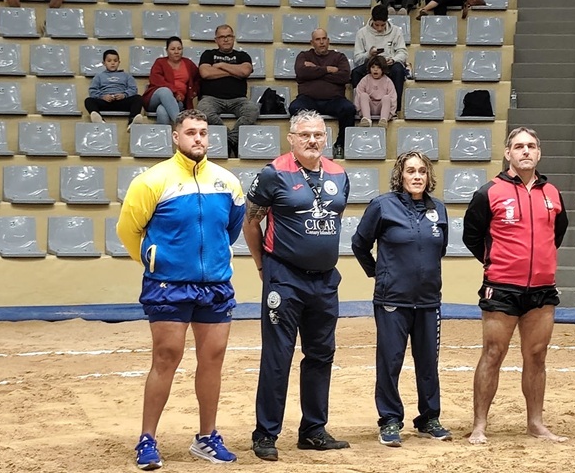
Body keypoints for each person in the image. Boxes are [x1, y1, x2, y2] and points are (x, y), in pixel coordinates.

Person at [117, 109, 245, 470]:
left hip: (216, 285)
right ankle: (147, 439)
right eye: (191, 133)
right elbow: (129, 231)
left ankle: (207, 437)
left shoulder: (227, 182)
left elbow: (230, 230)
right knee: (166, 356)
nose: (199, 139)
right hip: (168, 285)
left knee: (213, 359)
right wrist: (155, 259)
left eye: (204, 132)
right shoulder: (151, 181)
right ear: (176, 137)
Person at [242, 110, 351, 462]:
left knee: (321, 355)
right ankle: (266, 433)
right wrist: (263, 266)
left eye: (318, 134)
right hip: (284, 277)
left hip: (325, 281)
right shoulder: (273, 174)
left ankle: (313, 430)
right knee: (278, 356)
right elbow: (251, 221)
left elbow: (332, 219)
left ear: (327, 137)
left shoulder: (339, 174)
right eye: (304, 135)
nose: (312, 140)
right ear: (291, 139)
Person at [462, 126, 569, 445]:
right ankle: (480, 424)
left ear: (539, 153)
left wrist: (538, 263)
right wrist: (497, 262)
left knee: (537, 355)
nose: (526, 151)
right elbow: (472, 235)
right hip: (501, 288)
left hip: (542, 290)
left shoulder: (552, 193)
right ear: (508, 153)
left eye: (531, 146)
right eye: (519, 146)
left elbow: (557, 234)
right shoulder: (489, 192)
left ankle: (535, 422)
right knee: (493, 352)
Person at [350, 151, 451, 448]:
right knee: (390, 361)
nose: (417, 176)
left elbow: (439, 249)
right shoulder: (383, 206)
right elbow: (359, 244)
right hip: (392, 300)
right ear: (400, 175)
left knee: (428, 363)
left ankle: (429, 418)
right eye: (410, 171)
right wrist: (379, 274)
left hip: (429, 301)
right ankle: (390, 420)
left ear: (429, 176)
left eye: (422, 171)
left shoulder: (439, 210)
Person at [288, 29, 356, 160]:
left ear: (328, 41)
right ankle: (301, 146)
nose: (322, 42)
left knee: (349, 109)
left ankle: (341, 144)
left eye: (324, 39)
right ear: (312, 42)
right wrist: (328, 70)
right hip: (308, 99)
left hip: (334, 100)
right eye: (318, 40)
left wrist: (315, 70)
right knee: (295, 108)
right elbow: (302, 73)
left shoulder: (339, 57)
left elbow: (344, 77)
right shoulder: (304, 56)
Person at [198, 24, 260, 158]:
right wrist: (233, 71)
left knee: (252, 109)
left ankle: (230, 139)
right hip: (211, 98)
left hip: (238, 100)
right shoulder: (208, 54)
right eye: (222, 37)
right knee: (203, 110)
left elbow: (244, 71)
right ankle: (230, 138)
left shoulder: (243, 55)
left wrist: (221, 66)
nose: (225, 40)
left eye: (228, 36)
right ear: (216, 40)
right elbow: (205, 73)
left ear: (233, 38)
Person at [351, 4, 409, 110]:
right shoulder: (362, 33)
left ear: (387, 20)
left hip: (389, 64)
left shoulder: (396, 31)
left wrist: (393, 59)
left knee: (398, 70)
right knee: (356, 73)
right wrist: (369, 54)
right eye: (376, 25)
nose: (379, 28)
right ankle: (359, 107)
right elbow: (358, 58)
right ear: (372, 20)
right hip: (371, 64)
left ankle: (395, 109)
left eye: (382, 25)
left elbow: (403, 52)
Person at [143, 36, 200, 127]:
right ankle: (181, 126)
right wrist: (175, 92)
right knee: (165, 91)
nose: (176, 52)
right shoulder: (160, 62)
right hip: (155, 98)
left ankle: (163, 140)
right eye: (173, 49)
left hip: (179, 102)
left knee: (162, 111)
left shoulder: (188, 64)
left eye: (179, 49)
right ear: (167, 50)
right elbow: (156, 80)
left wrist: (193, 92)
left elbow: (198, 78)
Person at [84, 49, 145, 132]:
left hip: (121, 102)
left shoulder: (127, 76)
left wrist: (124, 95)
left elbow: (133, 89)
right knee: (88, 100)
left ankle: (132, 121)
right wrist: (102, 96)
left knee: (138, 98)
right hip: (106, 102)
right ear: (104, 63)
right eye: (109, 61)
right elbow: (92, 90)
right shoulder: (99, 76)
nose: (112, 63)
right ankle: (100, 120)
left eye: (115, 61)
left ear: (119, 62)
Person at [354, 56, 397, 129]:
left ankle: (384, 120)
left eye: (378, 68)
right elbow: (358, 94)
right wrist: (360, 111)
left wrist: (390, 114)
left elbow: (393, 98)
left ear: (383, 69)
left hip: (382, 108)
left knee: (386, 98)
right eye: (373, 67)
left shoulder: (388, 81)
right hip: (368, 107)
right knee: (363, 95)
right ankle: (367, 119)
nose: (375, 70)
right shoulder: (365, 79)